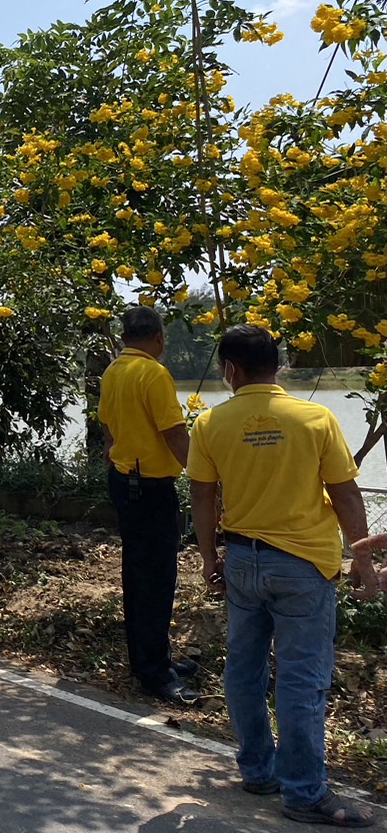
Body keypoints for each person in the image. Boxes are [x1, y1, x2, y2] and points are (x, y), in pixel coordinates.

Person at [189, 325, 378, 829]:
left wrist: (210, 559)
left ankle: (258, 770)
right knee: (301, 680)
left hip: (243, 562)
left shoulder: (211, 423)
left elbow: (204, 499)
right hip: (302, 566)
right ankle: (305, 793)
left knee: (245, 670)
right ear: (280, 365)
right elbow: (345, 495)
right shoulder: (314, 417)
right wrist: (363, 561)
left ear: (230, 369)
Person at [97, 305, 199, 706]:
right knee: (155, 577)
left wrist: (114, 453)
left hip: (125, 481)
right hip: (151, 488)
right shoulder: (153, 373)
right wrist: (205, 477)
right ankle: (154, 670)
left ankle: (151, 657)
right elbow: (175, 433)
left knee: (139, 574)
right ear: (159, 338)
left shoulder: (113, 371)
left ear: (125, 337)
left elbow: (106, 424)